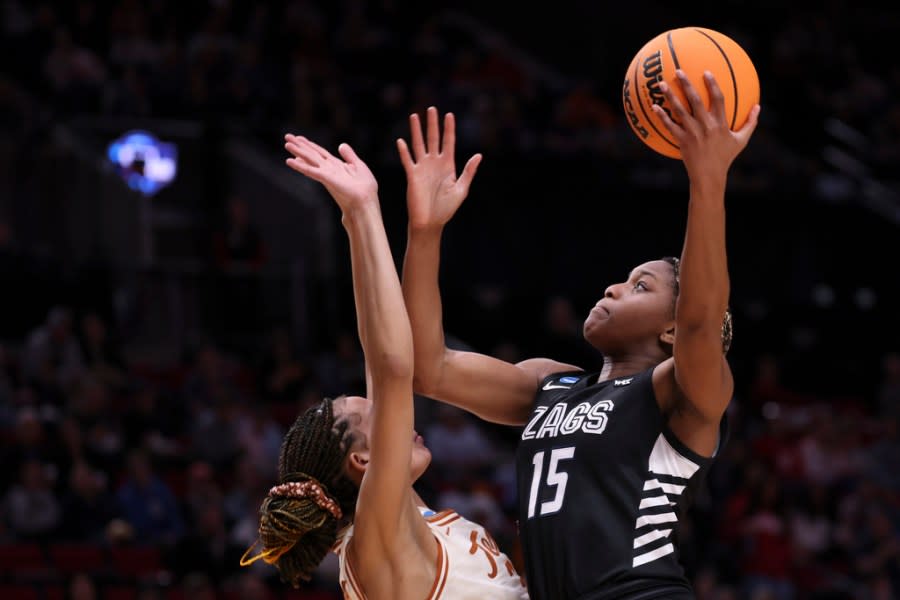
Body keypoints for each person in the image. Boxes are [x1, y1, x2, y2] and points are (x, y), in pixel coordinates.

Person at [399, 72, 759, 599]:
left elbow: (703, 322)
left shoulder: (681, 393)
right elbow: (428, 367)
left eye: (640, 286)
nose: (612, 288)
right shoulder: (550, 384)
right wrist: (425, 234)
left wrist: (708, 180)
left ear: (671, 328)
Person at [239, 133, 528, 599]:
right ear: (362, 461)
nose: (394, 411)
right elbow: (394, 370)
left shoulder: (416, 526)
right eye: (372, 413)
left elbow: (381, 358)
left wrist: (356, 224)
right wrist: (366, 208)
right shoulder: (374, 538)